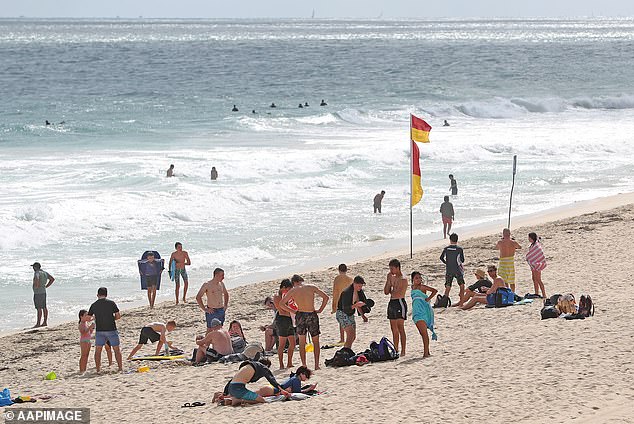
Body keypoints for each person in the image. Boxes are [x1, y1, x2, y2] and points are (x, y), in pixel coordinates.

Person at [280, 276, 329, 370]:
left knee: (302, 342)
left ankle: (304, 365)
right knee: (316, 341)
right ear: (301, 280)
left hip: (301, 315)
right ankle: (316, 365)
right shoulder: (311, 287)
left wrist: (293, 311)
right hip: (312, 314)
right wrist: (320, 310)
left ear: (293, 283)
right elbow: (325, 297)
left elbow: (282, 304)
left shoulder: (293, 291)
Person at [220, 358, 289, 406]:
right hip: (239, 389)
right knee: (261, 400)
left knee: (252, 396)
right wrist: (282, 390)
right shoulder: (263, 368)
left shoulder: (249, 365)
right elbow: (272, 380)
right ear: (267, 366)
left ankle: (229, 400)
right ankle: (238, 401)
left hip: (232, 388)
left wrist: (225, 393)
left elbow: (231, 381)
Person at [88, 287, 123, 372]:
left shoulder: (94, 305)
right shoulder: (111, 303)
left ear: (97, 295)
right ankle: (120, 368)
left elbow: (89, 318)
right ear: (106, 295)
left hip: (100, 330)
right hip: (111, 329)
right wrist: (111, 318)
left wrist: (97, 317)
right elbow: (118, 316)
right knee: (116, 350)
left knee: (98, 350)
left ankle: (98, 369)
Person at [337, 276, 369, 349]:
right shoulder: (346, 292)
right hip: (342, 313)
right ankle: (346, 351)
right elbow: (345, 308)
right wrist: (355, 305)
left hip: (350, 314)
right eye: (359, 286)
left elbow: (358, 304)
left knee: (353, 337)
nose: (360, 288)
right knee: (350, 334)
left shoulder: (358, 292)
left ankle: (346, 350)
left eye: (361, 286)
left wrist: (363, 316)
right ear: (354, 283)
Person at [410, 272, 438, 357]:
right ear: (413, 280)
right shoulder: (412, 287)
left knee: (424, 333)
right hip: (416, 311)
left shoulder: (422, 287)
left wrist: (428, 298)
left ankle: (426, 353)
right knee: (422, 333)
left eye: (419, 278)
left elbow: (434, 291)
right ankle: (427, 352)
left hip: (423, 311)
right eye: (416, 278)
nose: (418, 279)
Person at [384, 259, 408, 356]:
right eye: (390, 268)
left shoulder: (403, 279)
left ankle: (403, 350)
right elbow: (386, 292)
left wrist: (393, 282)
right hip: (392, 303)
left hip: (399, 302)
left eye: (392, 269)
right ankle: (396, 349)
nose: (391, 271)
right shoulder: (391, 277)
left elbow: (397, 293)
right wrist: (389, 281)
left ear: (398, 268)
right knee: (393, 328)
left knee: (400, 327)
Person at [273, 279, 296, 369]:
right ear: (283, 288)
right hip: (282, 320)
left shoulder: (288, 295)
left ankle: (289, 362)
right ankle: (281, 364)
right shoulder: (277, 297)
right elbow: (282, 310)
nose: (289, 291)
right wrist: (292, 310)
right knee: (282, 344)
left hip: (290, 319)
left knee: (293, 343)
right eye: (288, 289)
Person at [440, 233, 465, 305]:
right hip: (457, 270)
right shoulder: (459, 249)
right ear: (457, 240)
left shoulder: (446, 249)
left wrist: (446, 263)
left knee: (448, 286)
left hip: (449, 269)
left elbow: (441, 258)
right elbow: (462, 260)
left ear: (450, 240)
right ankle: (461, 302)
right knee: (461, 285)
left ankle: (444, 302)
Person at [331, 264, 353, 345]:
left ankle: (342, 338)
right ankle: (349, 337)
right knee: (349, 318)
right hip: (349, 302)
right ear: (346, 270)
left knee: (341, 320)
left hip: (340, 301)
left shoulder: (337, 279)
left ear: (339, 270)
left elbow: (335, 292)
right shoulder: (350, 279)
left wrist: (334, 305)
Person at [496, 228, 521, 293]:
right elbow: (519, 247)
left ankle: (507, 293)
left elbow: (496, 247)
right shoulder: (513, 242)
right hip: (510, 262)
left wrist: (503, 240)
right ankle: (513, 293)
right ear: (510, 234)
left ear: (503, 234)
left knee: (504, 280)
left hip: (503, 262)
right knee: (511, 280)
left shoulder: (500, 242)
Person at [31, 262, 55, 327]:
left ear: (35, 267)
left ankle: (38, 323)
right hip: (43, 292)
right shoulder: (44, 272)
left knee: (39, 308)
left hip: (38, 292)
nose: (33, 268)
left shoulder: (37, 273)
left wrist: (36, 285)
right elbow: (52, 279)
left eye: (33, 267)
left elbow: (37, 280)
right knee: (44, 307)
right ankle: (45, 322)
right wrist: (46, 286)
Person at [526, 232, 547, 299]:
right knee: (534, 279)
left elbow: (540, 254)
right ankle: (536, 293)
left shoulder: (537, 246)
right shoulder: (532, 245)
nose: (528, 239)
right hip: (533, 264)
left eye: (529, 237)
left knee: (538, 279)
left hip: (537, 264)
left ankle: (544, 295)